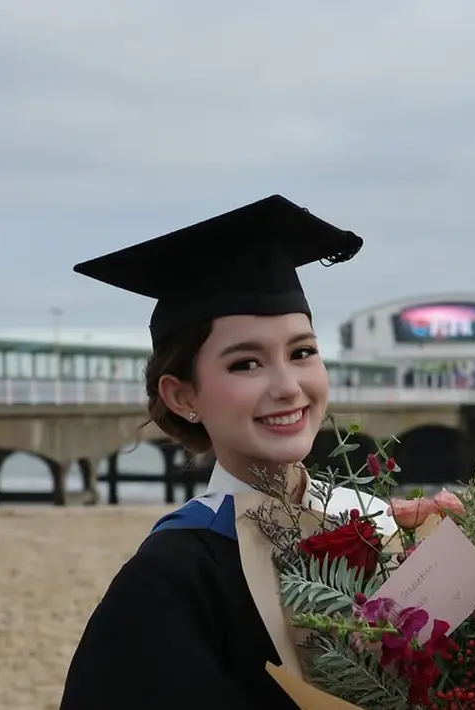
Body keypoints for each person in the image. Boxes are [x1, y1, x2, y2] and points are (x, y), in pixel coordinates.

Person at [58, 195, 395, 709]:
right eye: (246, 364)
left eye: (302, 352)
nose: (288, 387)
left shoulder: (380, 526)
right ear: (183, 396)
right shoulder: (167, 580)